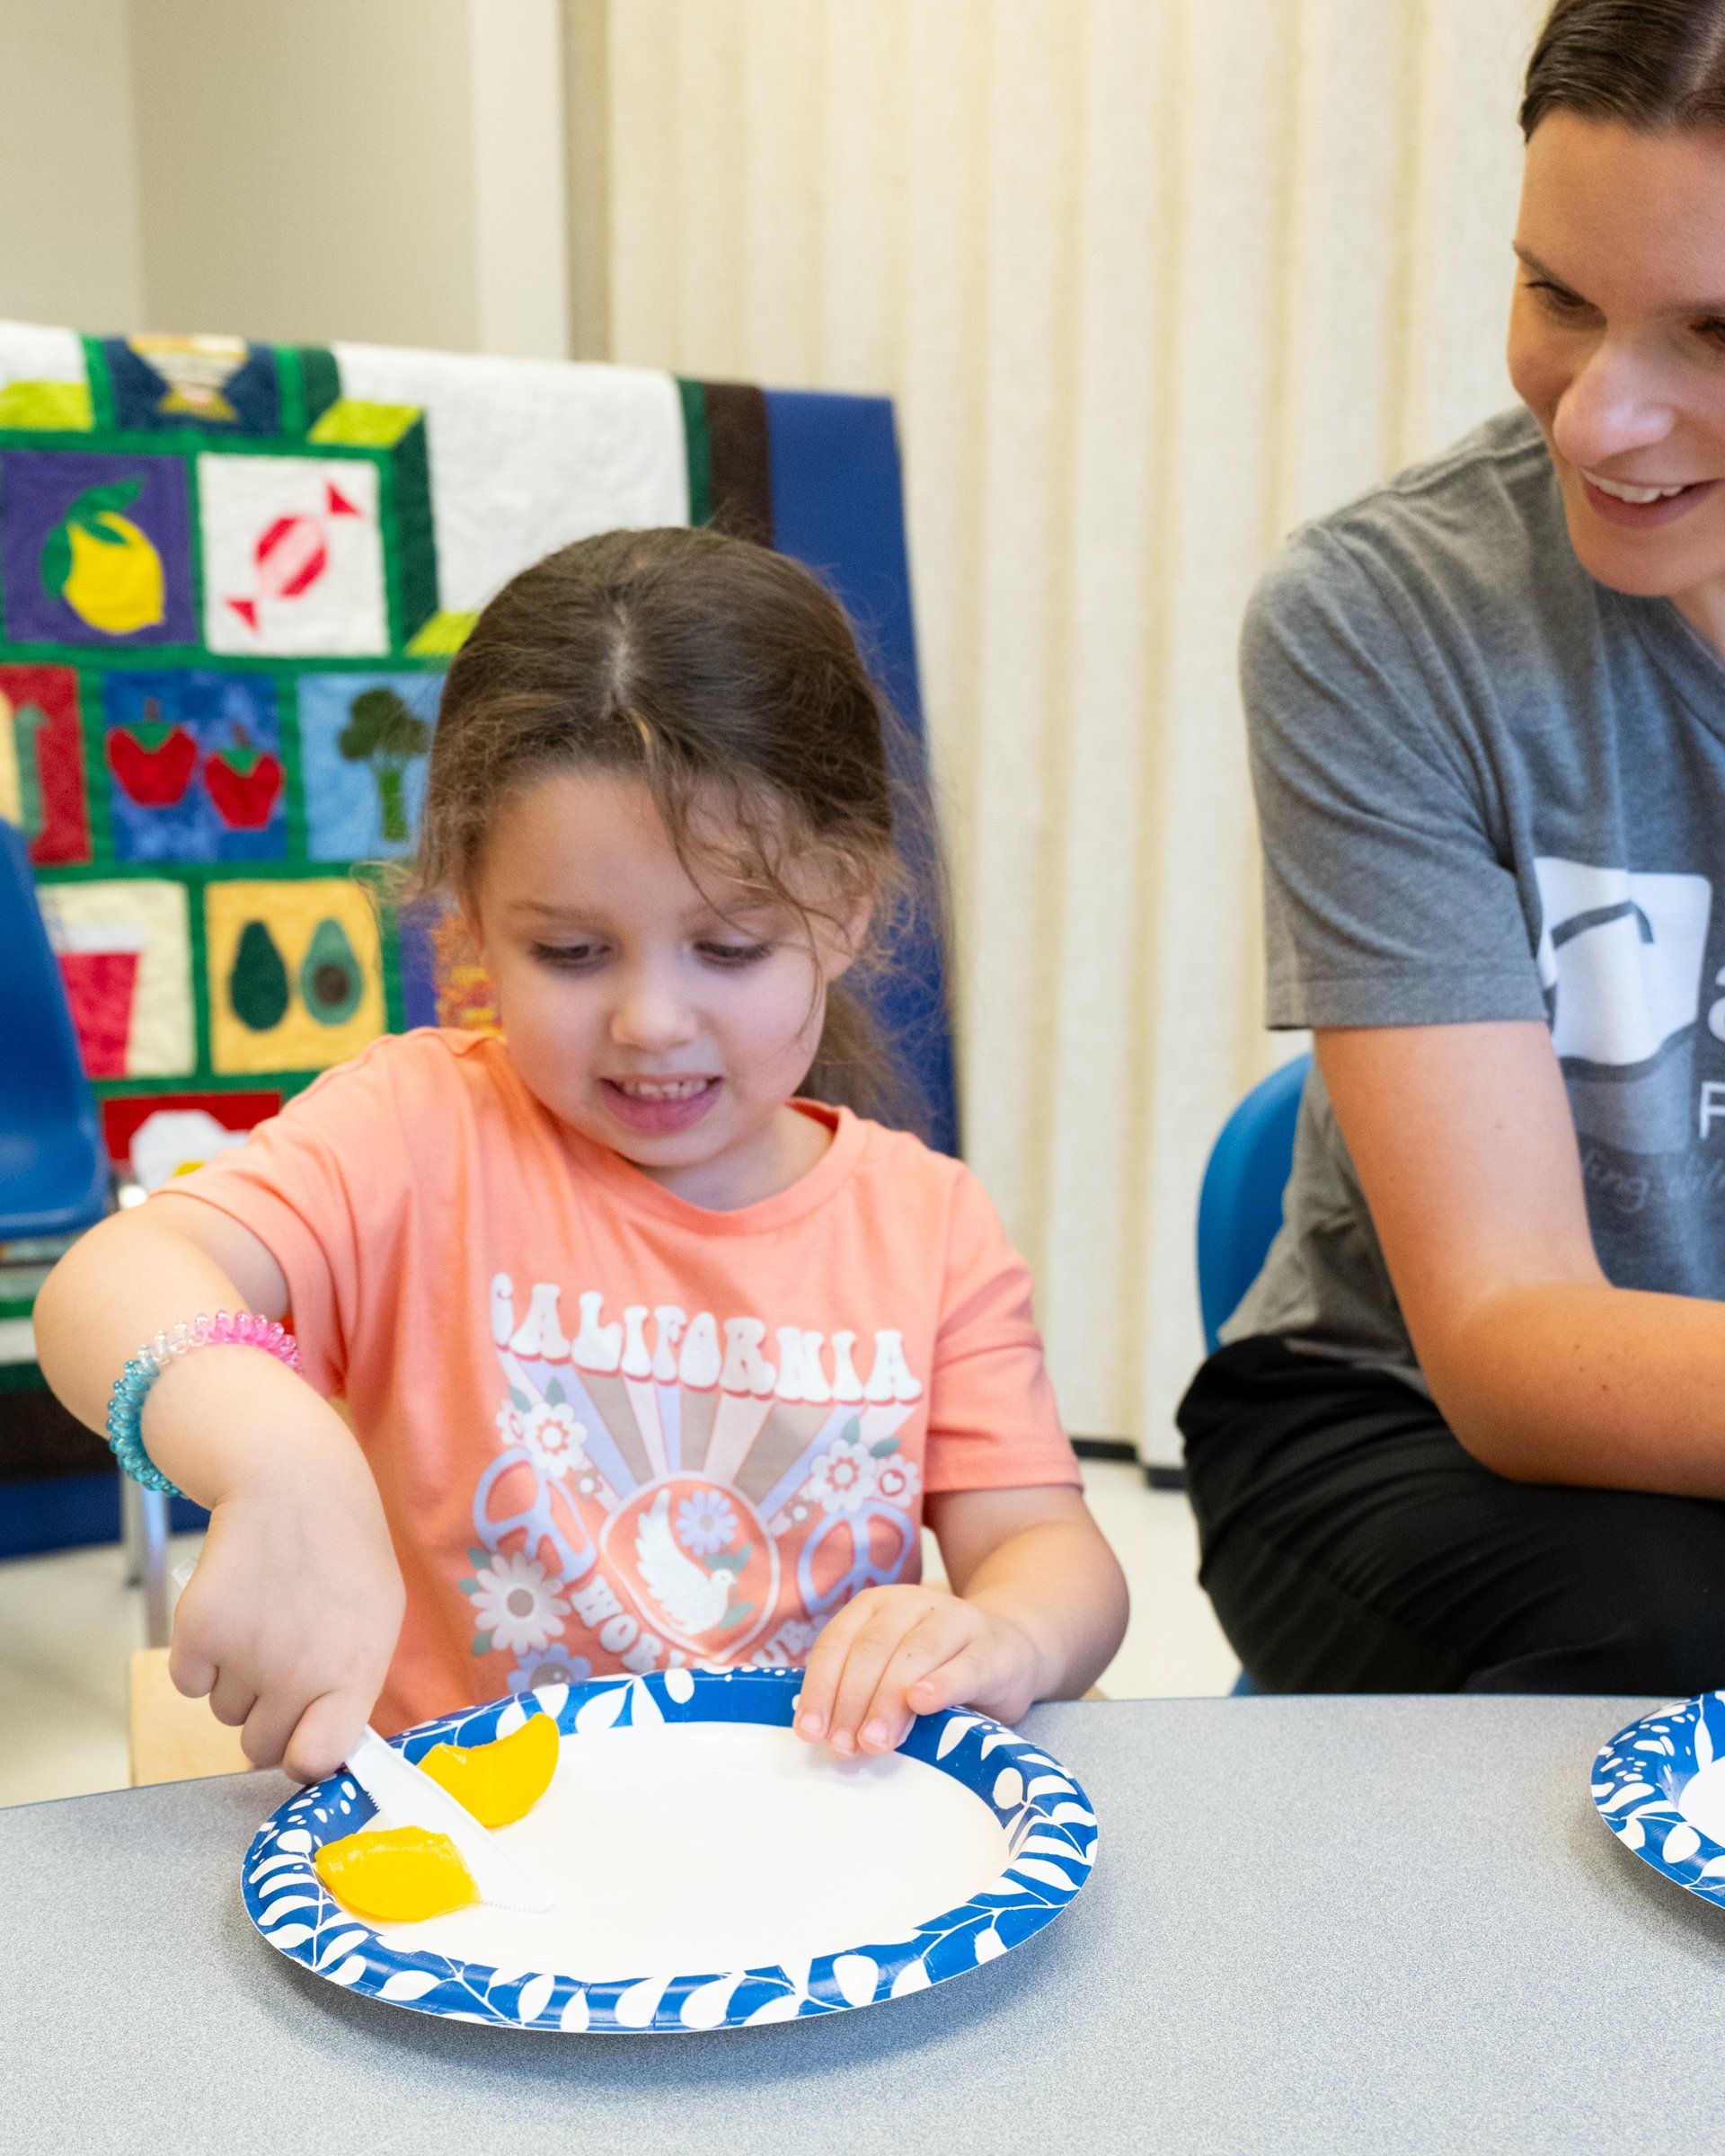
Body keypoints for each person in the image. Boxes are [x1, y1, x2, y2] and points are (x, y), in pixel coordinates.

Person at [36, 526, 1126, 1780]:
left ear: (849, 909)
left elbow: (1056, 1556)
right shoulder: (412, 1133)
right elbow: (112, 1278)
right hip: (465, 1862)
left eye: (729, 949)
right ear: (470, 916)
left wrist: (1001, 1632)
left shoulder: (929, 1225)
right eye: (570, 953)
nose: (651, 1020)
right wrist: (270, 1443)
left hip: (805, 1865)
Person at [1178, 0, 1725, 1694]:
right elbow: (1503, 1342)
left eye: (1716, 334)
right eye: (1559, 297)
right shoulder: (1381, 621)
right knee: (1681, 1647)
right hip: (1394, 1422)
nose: (1595, 420)